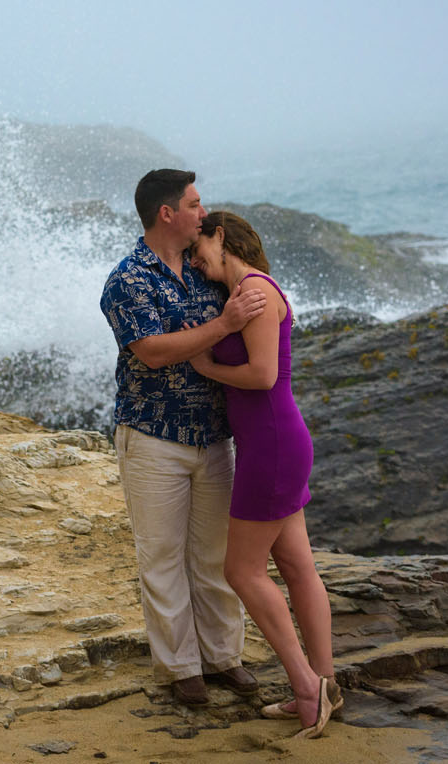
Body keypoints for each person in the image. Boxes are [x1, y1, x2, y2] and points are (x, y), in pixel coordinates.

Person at [99, 169, 268, 706]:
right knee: (163, 556)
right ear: (167, 214)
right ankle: (180, 670)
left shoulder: (204, 272)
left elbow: (253, 311)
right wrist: (225, 323)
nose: (204, 213)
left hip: (215, 437)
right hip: (153, 437)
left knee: (214, 556)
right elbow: (151, 350)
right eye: (195, 205)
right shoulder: (127, 280)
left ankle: (224, 659)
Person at [188, 211, 339, 738]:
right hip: (278, 441)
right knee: (297, 567)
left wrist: (206, 367)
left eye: (199, 250)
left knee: (242, 572)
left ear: (220, 235)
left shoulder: (253, 289)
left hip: (271, 446)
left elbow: (262, 374)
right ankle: (325, 684)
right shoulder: (251, 290)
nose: (197, 263)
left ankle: (305, 688)